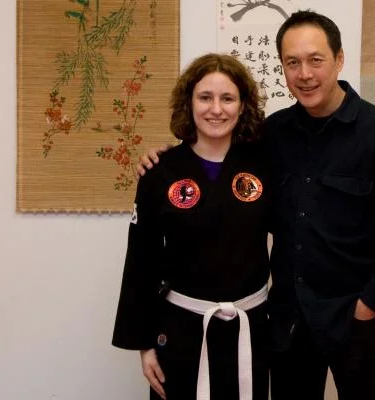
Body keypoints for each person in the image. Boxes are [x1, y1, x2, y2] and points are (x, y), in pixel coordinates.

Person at [137, 10, 375, 400]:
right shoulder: (273, 134)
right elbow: (215, 149)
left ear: (339, 59)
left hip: (359, 321)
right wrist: (165, 158)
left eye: (316, 60)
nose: (304, 74)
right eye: (292, 63)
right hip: (290, 322)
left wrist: (369, 306)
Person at [112, 53, 272, 400]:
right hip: (181, 329)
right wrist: (144, 344)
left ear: (243, 105)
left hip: (250, 327)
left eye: (227, 98)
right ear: (190, 102)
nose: (216, 109)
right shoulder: (160, 171)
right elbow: (141, 260)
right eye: (205, 97)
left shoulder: (264, 167)